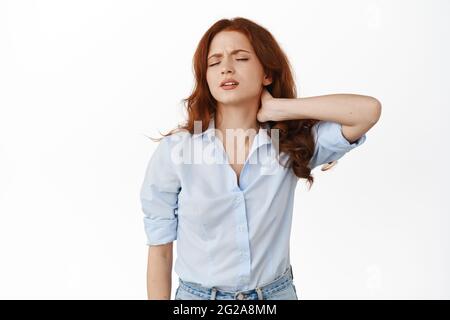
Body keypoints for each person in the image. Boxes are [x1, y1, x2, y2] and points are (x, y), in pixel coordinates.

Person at [140, 17, 381, 300]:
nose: (226, 67)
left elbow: (368, 111)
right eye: (214, 62)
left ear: (267, 74)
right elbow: (160, 250)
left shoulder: (290, 144)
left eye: (240, 58)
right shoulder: (177, 151)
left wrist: (279, 108)